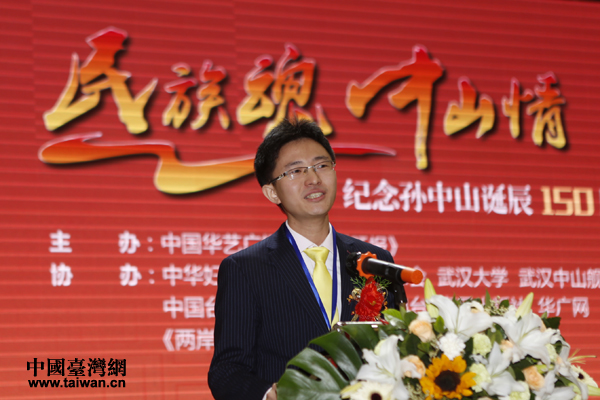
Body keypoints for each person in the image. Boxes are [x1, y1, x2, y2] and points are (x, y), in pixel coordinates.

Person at [208, 119, 395, 400]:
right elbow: (227, 371)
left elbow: (395, 346)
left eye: (321, 165)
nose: (313, 179)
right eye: (296, 171)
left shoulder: (376, 261)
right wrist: (269, 394)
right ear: (272, 192)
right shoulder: (245, 269)